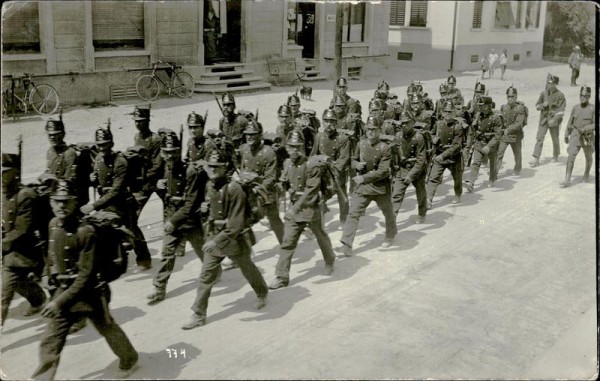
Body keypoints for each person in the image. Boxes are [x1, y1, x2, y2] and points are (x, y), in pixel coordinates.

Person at [32, 180, 138, 380]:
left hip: (90, 295)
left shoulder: (85, 231)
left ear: (75, 203)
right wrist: (47, 274)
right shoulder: (53, 224)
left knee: (107, 328)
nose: (61, 206)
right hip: (63, 291)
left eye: (67, 201)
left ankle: (129, 358)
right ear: (50, 202)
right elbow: (51, 253)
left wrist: (58, 302)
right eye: (56, 201)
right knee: (51, 339)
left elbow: (85, 275)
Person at [182, 149, 268, 330]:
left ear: (225, 168)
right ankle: (198, 313)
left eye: (217, 167)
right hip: (214, 236)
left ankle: (262, 293)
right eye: (210, 166)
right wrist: (205, 213)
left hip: (234, 239)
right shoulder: (209, 186)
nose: (213, 170)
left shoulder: (234, 189)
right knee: (206, 275)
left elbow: (236, 224)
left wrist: (215, 241)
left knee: (248, 268)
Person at [268, 131, 336, 289]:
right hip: (294, 207)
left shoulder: (311, 165)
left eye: (297, 147)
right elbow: (285, 183)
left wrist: (294, 208)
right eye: (291, 147)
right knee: (287, 242)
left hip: (309, 209)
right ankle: (281, 276)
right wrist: (282, 184)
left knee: (320, 237)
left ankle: (330, 260)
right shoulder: (286, 163)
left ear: (303, 147)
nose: (294, 150)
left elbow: (311, 191)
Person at [146, 133, 207, 305]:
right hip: (172, 215)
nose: (170, 156)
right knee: (167, 253)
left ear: (179, 151)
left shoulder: (190, 171)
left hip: (189, 220)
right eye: (166, 152)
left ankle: (214, 273)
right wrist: (157, 186)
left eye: (173, 152)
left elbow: (190, 203)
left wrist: (173, 221)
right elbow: (157, 190)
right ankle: (159, 288)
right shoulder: (163, 168)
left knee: (203, 252)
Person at [82, 126, 153, 270]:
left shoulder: (120, 162)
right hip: (107, 202)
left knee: (132, 232)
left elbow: (116, 190)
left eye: (104, 144)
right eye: (99, 144)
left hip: (123, 204)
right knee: (105, 230)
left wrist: (94, 206)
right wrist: (92, 178)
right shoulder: (98, 159)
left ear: (111, 144)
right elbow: (99, 182)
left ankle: (144, 258)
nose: (101, 148)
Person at [337, 120, 397, 256]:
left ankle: (390, 234)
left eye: (374, 129)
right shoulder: (361, 144)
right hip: (364, 188)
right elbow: (352, 159)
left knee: (388, 212)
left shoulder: (384, 148)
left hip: (380, 187)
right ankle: (346, 243)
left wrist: (364, 177)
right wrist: (356, 164)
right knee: (353, 213)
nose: (371, 132)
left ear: (379, 131)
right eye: (368, 129)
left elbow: (383, 171)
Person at [1, 153, 47, 327]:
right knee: (8, 290)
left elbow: (22, 229)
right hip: (10, 253)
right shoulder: (4, 194)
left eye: (5, 171)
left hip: (30, 252)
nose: (1, 175)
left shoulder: (25, 195)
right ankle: (37, 300)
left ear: (15, 172)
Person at [239, 120, 284, 244]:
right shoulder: (244, 149)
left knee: (274, 220)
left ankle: (285, 244)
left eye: (253, 134)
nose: (249, 137)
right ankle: (242, 252)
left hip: (265, 193)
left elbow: (270, 177)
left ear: (260, 135)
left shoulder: (268, 152)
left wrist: (258, 189)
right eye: (247, 134)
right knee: (240, 220)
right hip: (248, 191)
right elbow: (243, 169)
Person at [311, 108, 351, 226]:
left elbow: (343, 158)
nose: (329, 124)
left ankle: (344, 220)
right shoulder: (319, 137)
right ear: (322, 122)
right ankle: (320, 222)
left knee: (343, 199)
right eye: (326, 121)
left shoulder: (343, 138)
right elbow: (313, 154)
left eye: (332, 121)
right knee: (320, 198)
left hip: (337, 173)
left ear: (336, 123)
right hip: (323, 172)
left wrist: (334, 169)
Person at [426, 101, 465, 208]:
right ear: (442, 112)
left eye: (450, 112)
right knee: (433, 178)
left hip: (453, 158)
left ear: (454, 113)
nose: (448, 114)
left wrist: (443, 156)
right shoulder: (438, 124)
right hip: (439, 155)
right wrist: (433, 139)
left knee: (457, 179)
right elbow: (432, 133)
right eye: (446, 111)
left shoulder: (458, 127)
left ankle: (458, 194)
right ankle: (428, 198)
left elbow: (456, 146)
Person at [391, 114, 428, 224]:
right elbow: (395, 152)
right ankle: (391, 220)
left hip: (417, 170)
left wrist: (411, 175)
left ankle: (422, 214)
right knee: (396, 194)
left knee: (420, 193)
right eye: (402, 123)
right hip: (403, 168)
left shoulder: (418, 137)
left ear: (412, 123)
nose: (405, 125)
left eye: (407, 123)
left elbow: (421, 160)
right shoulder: (398, 135)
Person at [43, 118, 89, 206]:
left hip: (67, 197)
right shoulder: (50, 151)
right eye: (50, 135)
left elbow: (69, 181)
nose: (52, 137)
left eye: (55, 134)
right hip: (54, 193)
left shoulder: (70, 153)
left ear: (63, 134)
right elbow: (50, 170)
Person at [464, 96, 502, 192]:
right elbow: (475, 130)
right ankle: (471, 182)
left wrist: (489, 146)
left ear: (488, 106)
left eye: (482, 105)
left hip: (491, 144)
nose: (479, 107)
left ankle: (492, 178)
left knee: (493, 163)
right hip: (480, 142)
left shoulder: (495, 117)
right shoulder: (478, 115)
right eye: (479, 105)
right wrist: (474, 125)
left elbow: (497, 135)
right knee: (476, 162)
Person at [131, 105, 163, 216]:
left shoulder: (156, 139)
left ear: (148, 121)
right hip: (142, 178)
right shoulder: (136, 137)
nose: (137, 124)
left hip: (153, 179)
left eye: (141, 121)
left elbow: (157, 165)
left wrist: (144, 178)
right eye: (136, 121)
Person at [560, 86, 594, 187]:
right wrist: (566, 134)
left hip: (587, 136)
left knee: (588, 157)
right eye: (581, 95)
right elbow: (570, 122)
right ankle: (567, 179)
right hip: (575, 134)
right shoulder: (575, 107)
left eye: (584, 96)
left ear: (589, 96)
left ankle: (586, 174)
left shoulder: (592, 108)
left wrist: (586, 128)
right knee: (571, 156)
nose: (582, 97)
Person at [529, 74, 566, 167]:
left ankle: (556, 154)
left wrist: (554, 120)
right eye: (548, 83)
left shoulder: (560, 95)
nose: (549, 85)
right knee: (539, 138)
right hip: (543, 120)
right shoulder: (543, 93)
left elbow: (561, 111)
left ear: (555, 84)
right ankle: (536, 158)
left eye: (551, 83)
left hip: (554, 121)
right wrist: (542, 105)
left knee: (555, 139)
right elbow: (537, 106)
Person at [496, 86, 526, 176]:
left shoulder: (520, 108)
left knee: (517, 154)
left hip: (515, 136)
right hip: (505, 136)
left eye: (512, 96)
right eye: (508, 96)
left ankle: (517, 169)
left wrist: (508, 129)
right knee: (499, 153)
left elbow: (518, 123)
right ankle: (494, 173)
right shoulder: (503, 107)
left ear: (516, 97)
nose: (510, 98)